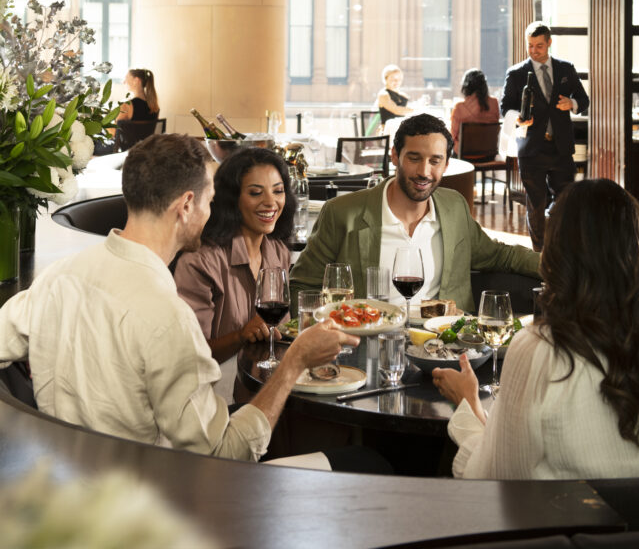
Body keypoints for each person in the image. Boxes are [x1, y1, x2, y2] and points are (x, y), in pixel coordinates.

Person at [0, 134, 357, 462]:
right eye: (210, 201)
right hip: (155, 491)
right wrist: (294, 362)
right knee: (362, 461)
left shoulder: (58, 277)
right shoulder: (167, 316)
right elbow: (224, 453)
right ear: (187, 205)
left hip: (63, 477)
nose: (212, 213)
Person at [435, 179, 639, 480]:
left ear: (556, 260)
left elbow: (489, 479)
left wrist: (469, 407)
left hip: (565, 511)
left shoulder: (539, 350)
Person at [290, 114, 540, 315]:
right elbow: (302, 286)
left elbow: (500, 255)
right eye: (414, 158)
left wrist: (556, 265)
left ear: (446, 164)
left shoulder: (454, 207)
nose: (424, 171)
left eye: (435, 161)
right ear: (395, 156)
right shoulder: (342, 213)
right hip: (366, 347)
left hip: (444, 348)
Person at [174, 147, 294, 364]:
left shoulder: (279, 251)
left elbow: (281, 332)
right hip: (218, 381)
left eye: (278, 191)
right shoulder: (200, 262)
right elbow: (190, 354)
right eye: (256, 193)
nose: (271, 202)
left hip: (265, 375)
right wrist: (240, 336)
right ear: (232, 199)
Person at [500, 21, 589, 251]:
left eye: (539, 46)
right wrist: (518, 118)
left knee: (566, 201)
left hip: (561, 148)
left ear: (549, 43)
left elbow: (584, 100)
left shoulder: (566, 69)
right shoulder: (516, 74)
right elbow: (505, 107)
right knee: (536, 205)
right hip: (531, 149)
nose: (534, 51)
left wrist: (572, 103)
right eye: (530, 45)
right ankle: (539, 254)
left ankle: (561, 249)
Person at [450, 69, 500, 156]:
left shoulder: (459, 108)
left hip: (464, 156)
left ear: (466, 86)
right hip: (488, 155)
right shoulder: (494, 103)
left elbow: (452, 137)